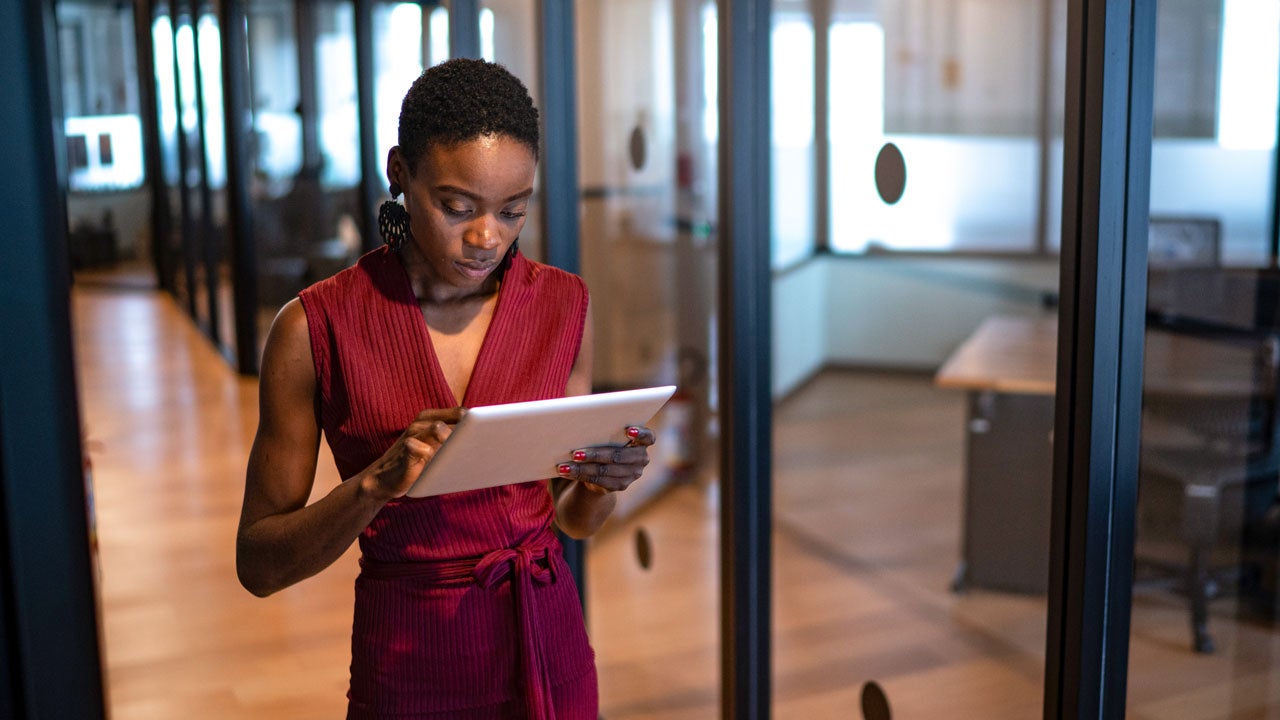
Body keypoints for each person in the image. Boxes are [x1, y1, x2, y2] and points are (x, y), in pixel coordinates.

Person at [235, 58, 655, 719]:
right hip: (411, 661)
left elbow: (569, 521)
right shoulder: (315, 328)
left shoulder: (563, 306)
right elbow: (259, 566)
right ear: (399, 173)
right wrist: (374, 485)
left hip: (549, 645)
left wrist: (600, 485)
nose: (486, 238)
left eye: (513, 211)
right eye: (457, 207)